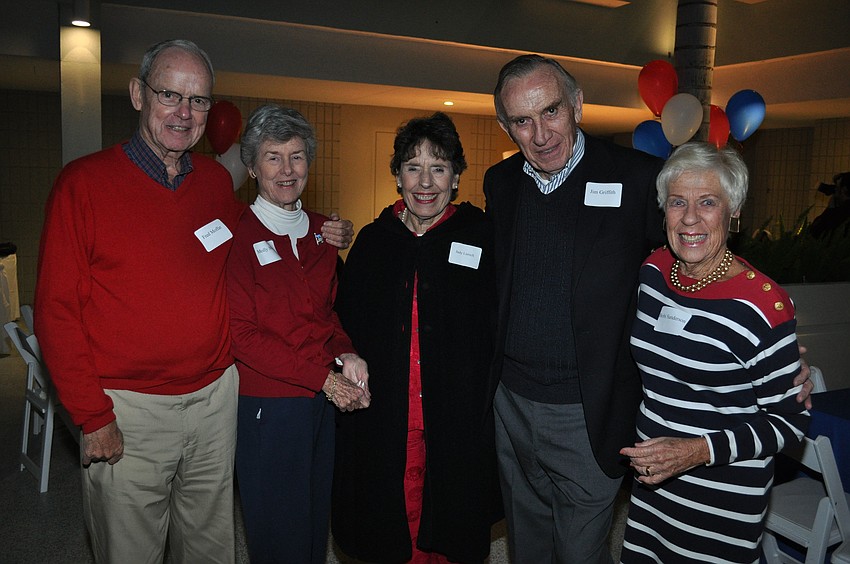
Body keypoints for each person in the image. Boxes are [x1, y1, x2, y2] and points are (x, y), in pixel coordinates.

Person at [483, 54, 812, 563]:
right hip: (512, 400)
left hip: (587, 408)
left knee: (579, 550)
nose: (541, 134)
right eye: (522, 121)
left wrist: (771, 348)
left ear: (577, 105)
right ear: (506, 126)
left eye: (551, 112)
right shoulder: (500, 184)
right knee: (525, 539)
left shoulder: (638, 178)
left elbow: (701, 249)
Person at [33, 40, 351, 563]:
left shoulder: (212, 184)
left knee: (211, 548)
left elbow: (261, 246)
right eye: (170, 95)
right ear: (138, 95)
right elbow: (56, 312)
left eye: (199, 100)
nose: (185, 112)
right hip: (129, 408)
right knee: (131, 549)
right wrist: (92, 416)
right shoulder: (83, 185)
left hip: (216, 401)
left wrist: (329, 231)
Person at [619, 142, 810, 562]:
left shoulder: (762, 306)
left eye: (708, 202)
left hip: (720, 495)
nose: (690, 218)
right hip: (654, 487)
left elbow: (791, 423)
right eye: (677, 202)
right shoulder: (652, 272)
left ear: (733, 211)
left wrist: (696, 451)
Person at [332, 112, 501, 563]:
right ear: (397, 176)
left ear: (457, 177)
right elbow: (342, 321)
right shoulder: (372, 241)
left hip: (456, 415)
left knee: (449, 516)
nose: (425, 181)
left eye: (439, 167)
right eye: (413, 166)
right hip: (387, 411)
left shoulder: (482, 236)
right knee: (391, 515)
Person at [226, 104, 370, 563]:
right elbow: (242, 338)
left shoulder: (321, 235)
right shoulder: (236, 238)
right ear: (252, 166)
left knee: (312, 525)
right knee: (276, 532)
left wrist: (347, 354)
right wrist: (326, 379)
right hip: (269, 407)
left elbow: (325, 315)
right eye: (273, 157)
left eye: (297, 156)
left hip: (318, 406)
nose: (287, 170)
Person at [810, 171, 850, 238]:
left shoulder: (840, 214)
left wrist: (830, 208)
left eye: (837, 187)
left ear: (844, 189)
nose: (835, 190)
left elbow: (816, 232)